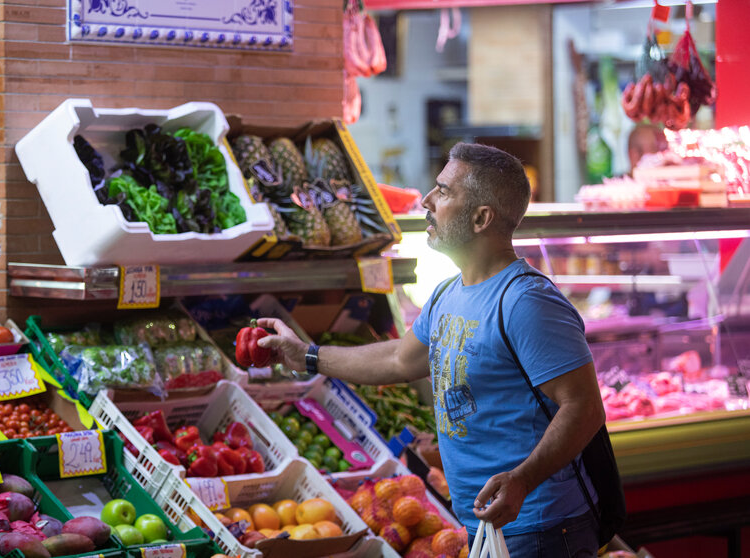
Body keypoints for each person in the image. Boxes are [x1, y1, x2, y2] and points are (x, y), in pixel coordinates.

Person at [257, 143, 606, 558]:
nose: (426, 200)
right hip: (484, 526)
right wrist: (307, 356)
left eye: (443, 192)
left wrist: (522, 480)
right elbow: (399, 359)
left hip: (542, 529)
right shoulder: (448, 294)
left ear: (481, 218)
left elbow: (584, 407)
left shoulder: (526, 301)